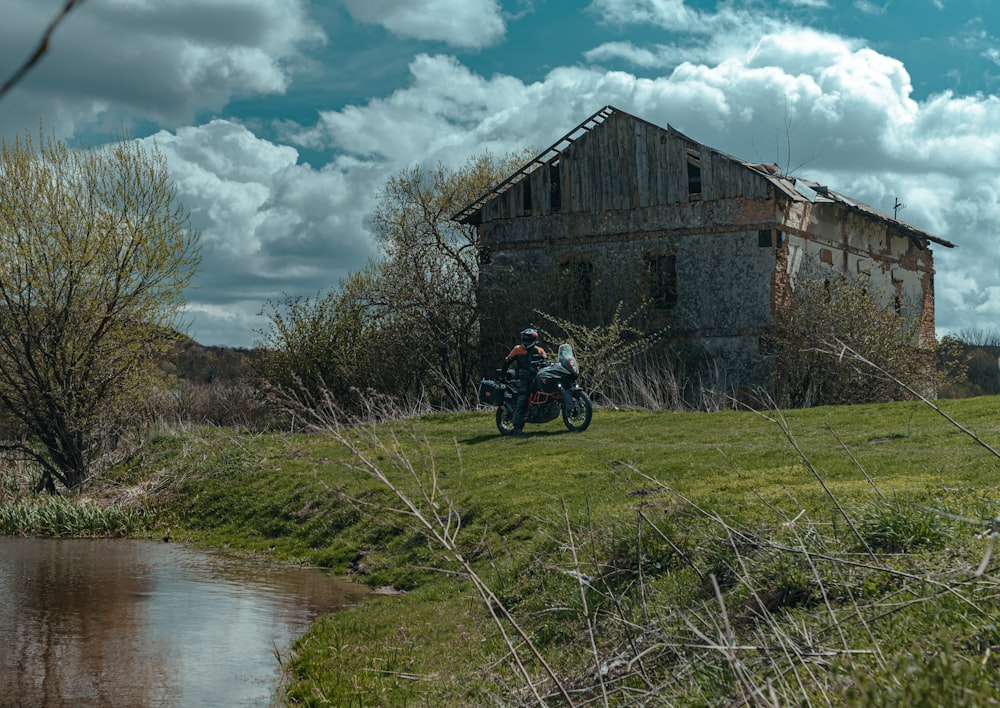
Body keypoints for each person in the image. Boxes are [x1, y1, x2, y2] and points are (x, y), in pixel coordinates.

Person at [505, 328, 547, 434]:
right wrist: (503, 374)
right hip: (522, 379)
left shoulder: (539, 350)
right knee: (522, 399)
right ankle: (517, 427)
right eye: (525, 338)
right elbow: (507, 361)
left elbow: (546, 363)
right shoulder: (517, 349)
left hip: (536, 378)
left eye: (529, 338)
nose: (527, 340)